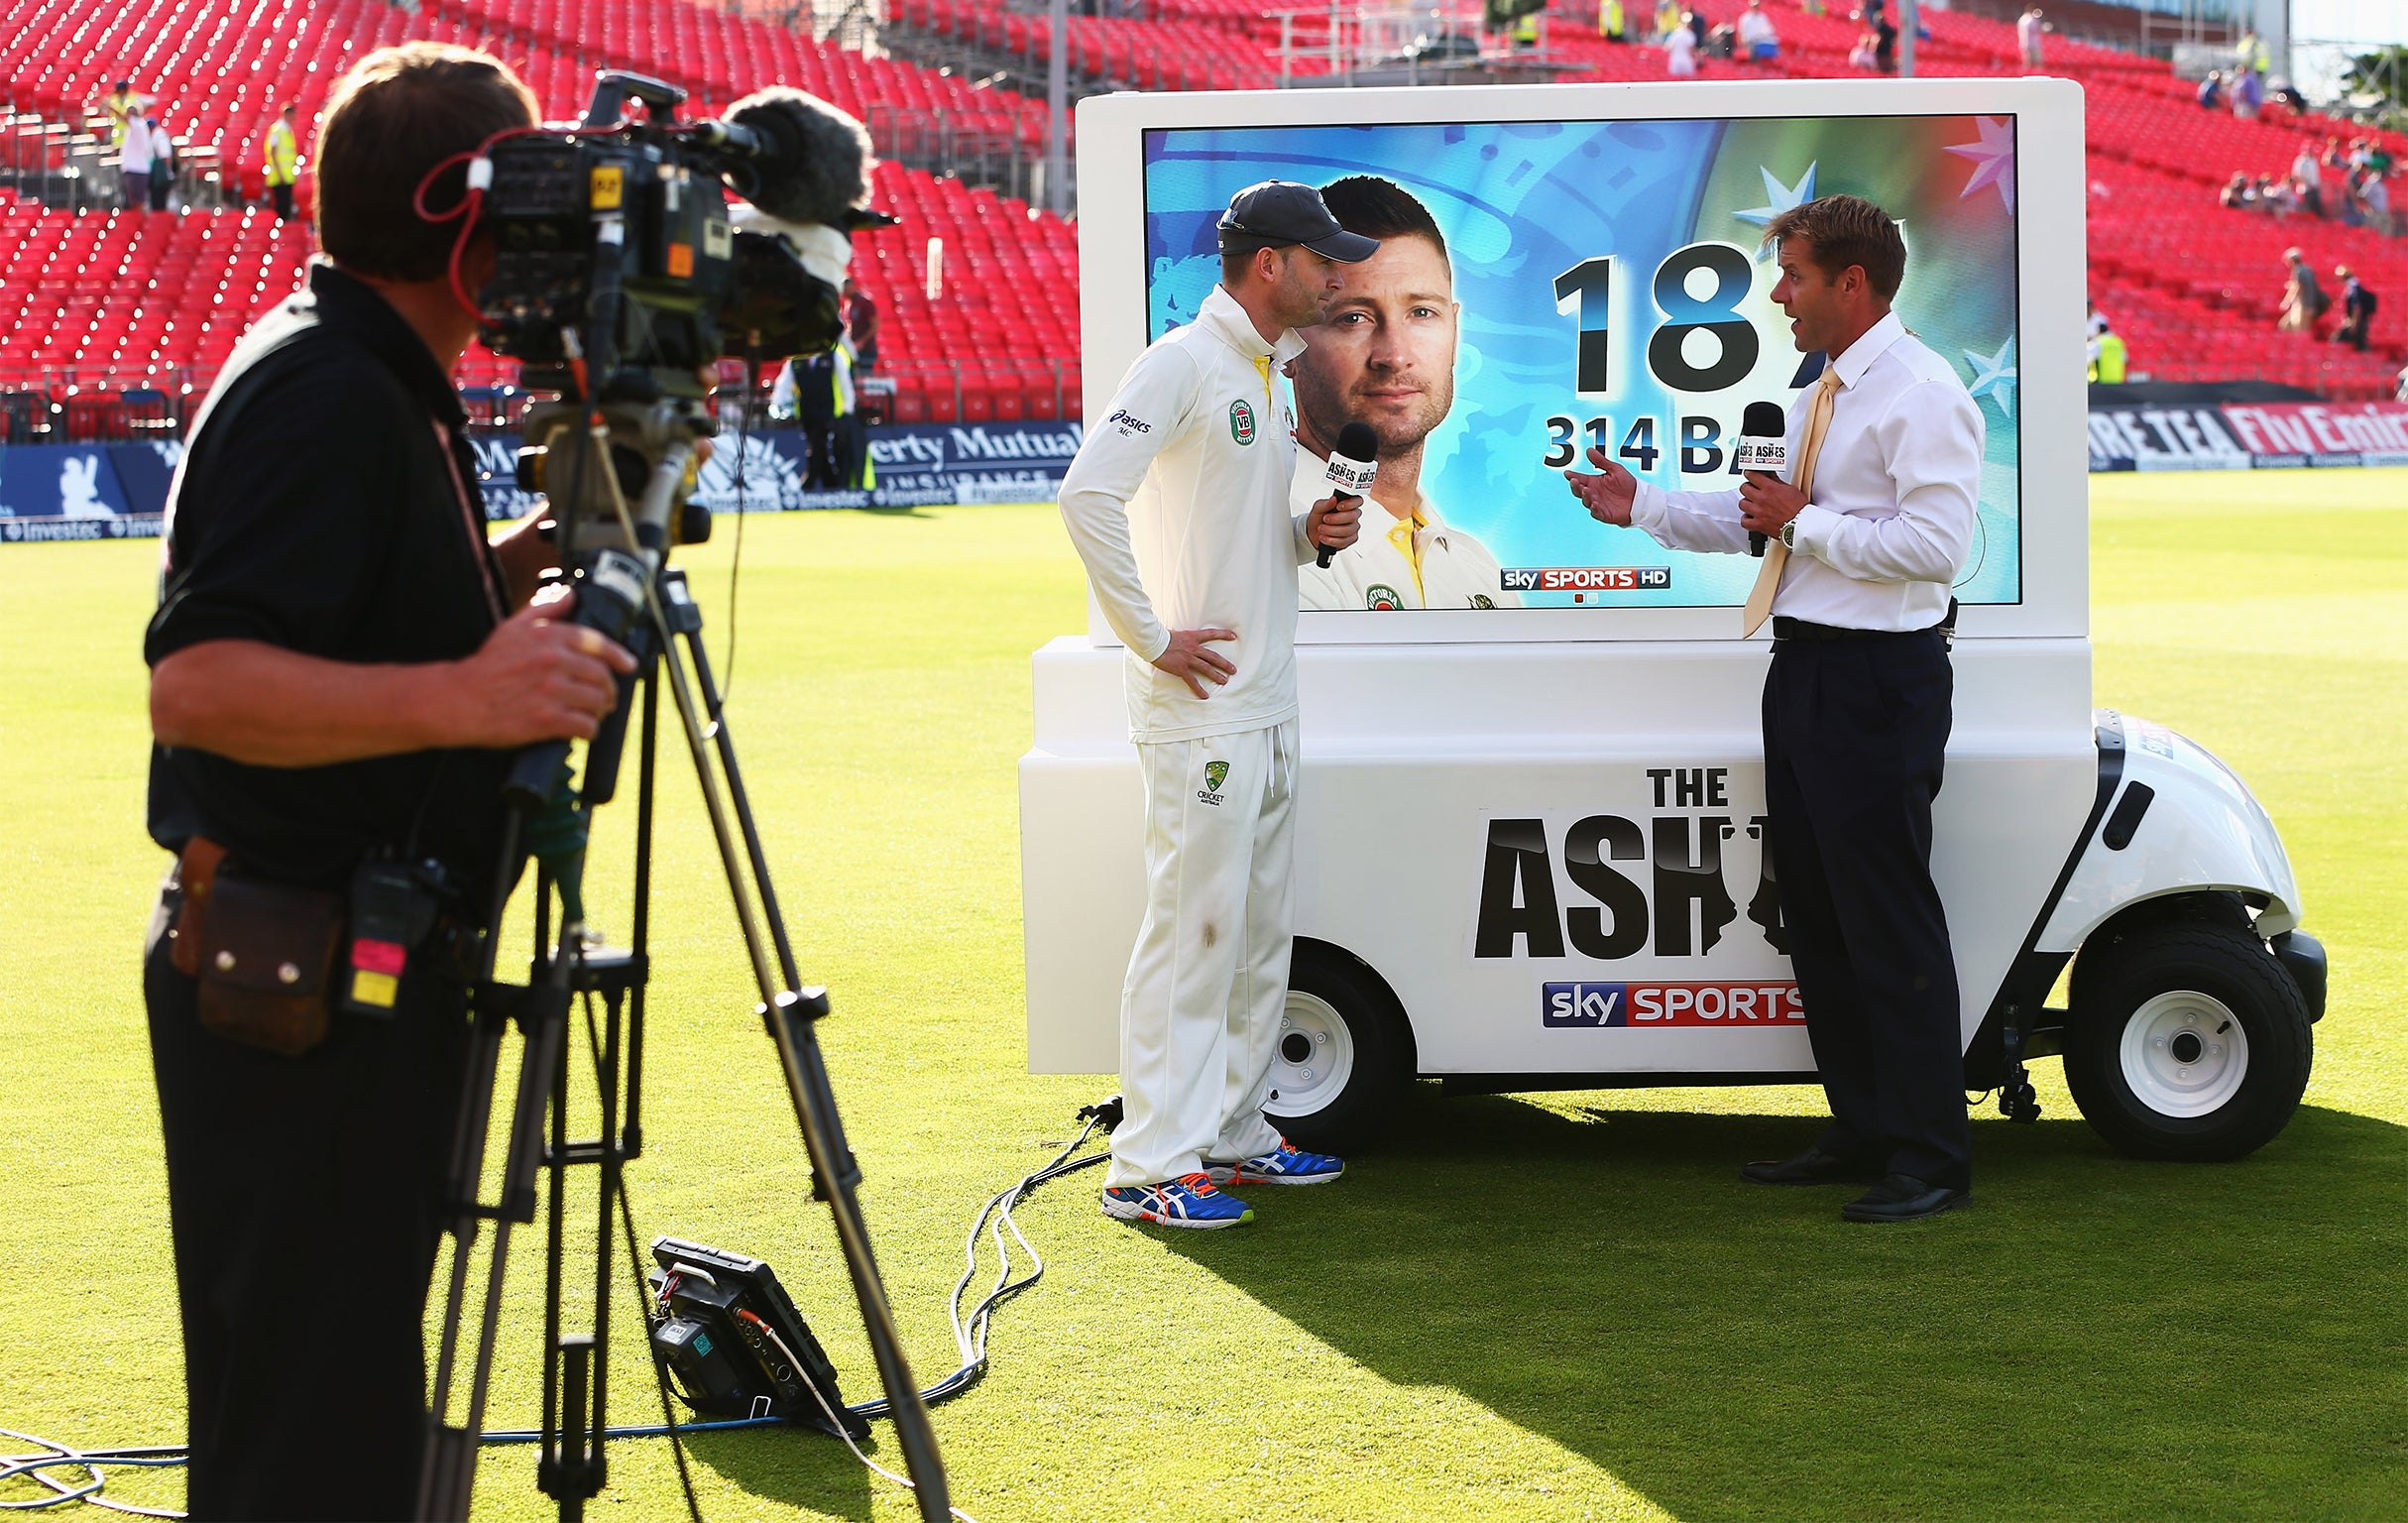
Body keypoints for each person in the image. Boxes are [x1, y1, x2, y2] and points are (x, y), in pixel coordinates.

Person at [141, 42, 632, 1519]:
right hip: (300, 982)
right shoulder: (329, 392)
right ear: (473, 221)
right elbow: (201, 681)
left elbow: (345, 607)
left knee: (334, 1389)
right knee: (314, 1413)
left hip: (347, 962)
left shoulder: (363, 364)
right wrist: (469, 691)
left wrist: (496, 578)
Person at [1564, 193, 1984, 1224]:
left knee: (1883, 919)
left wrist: (1811, 523)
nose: (1776, 294)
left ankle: (1929, 1156)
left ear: (1850, 282)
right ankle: (1863, 1127)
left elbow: (1936, 550)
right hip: (1804, 670)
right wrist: (1646, 506)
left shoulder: (1920, 392)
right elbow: (1767, 521)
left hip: (1878, 680)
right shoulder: (1817, 387)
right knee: (1820, 919)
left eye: (1790, 274)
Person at [1056, 179, 1370, 1230]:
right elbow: (1085, 492)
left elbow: (1232, 530)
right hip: (1202, 712)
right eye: (1322, 259)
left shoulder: (1261, 373)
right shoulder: (1182, 361)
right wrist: (1149, 638)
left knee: (1251, 935)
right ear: (1267, 263)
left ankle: (1233, 1134)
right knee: (1189, 936)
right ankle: (1148, 1166)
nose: (1336, 274)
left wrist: (1301, 535)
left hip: (1266, 700)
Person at [1290, 176, 1518, 612]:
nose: (1394, 356)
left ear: (1454, 330)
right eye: (1353, 318)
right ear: (1286, 344)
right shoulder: (1261, 546)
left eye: (1421, 313)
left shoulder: (1477, 569)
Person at [263, 103, 300, 221]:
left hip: (287, 175)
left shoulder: (288, 130)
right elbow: (273, 153)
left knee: (286, 205)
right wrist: (280, 174)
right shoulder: (277, 130)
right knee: (281, 207)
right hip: (279, 176)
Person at [117, 108, 156, 210]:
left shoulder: (138, 124)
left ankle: (139, 223)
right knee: (133, 201)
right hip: (135, 169)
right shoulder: (137, 127)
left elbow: (121, 116)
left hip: (136, 169)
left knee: (137, 202)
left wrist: (107, 105)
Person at [2278, 247, 2324, 331]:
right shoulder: (2307, 270)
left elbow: (2298, 287)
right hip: (2309, 304)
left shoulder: (2298, 271)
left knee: (2299, 329)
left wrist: (2286, 302)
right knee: (2285, 325)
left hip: (2303, 305)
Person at [2334, 267, 2375, 351]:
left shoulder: (2353, 288)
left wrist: (2353, 323)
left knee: (2339, 340)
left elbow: (2357, 307)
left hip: (2357, 321)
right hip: (2360, 320)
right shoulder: (2356, 285)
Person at [844, 275, 878, 371]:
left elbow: (875, 324)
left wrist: (862, 341)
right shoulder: (849, 304)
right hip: (853, 349)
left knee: (864, 378)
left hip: (866, 349)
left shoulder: (864, 303)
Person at [144, 114, 176, 212]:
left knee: (160, 203)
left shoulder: (159, 135)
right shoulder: (153, 136)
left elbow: (166, 157)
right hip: (157, 176)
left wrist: (165, 172)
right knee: (156, 203)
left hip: (162, 176)